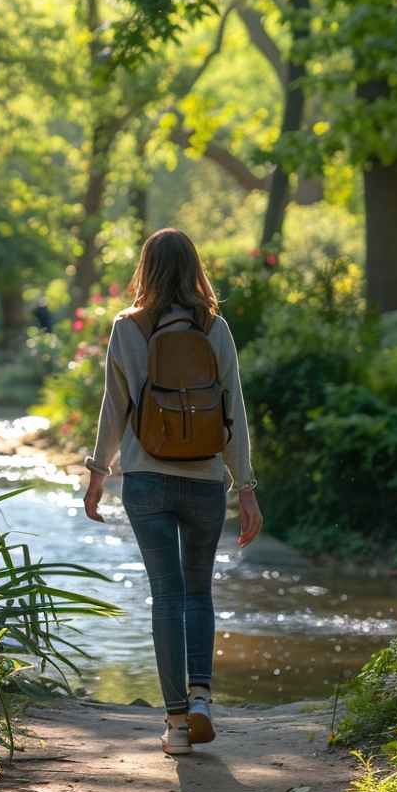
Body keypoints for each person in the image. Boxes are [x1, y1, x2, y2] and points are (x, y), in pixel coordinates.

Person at [83, 227, 263, 757]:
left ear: (147, 268)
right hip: (206, 482)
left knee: (165, 595)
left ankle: (177, 725)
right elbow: (233, 412)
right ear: (195, 268)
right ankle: (203, 695)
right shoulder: (216, 328)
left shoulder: (127, 327)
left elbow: (114, 407)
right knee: (198, 592)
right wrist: (246, 487)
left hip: (145, 481)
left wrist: (98, 472)